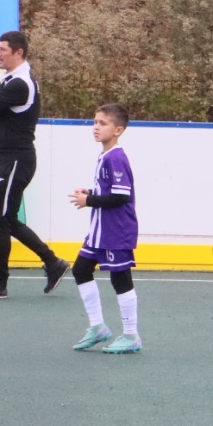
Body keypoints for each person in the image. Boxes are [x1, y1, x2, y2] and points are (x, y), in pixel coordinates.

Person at [0, 30, 70, 300]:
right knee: (8, 219)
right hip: (9, 160)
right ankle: (53, 263)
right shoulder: (12, 80)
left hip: (15, 160)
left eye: (3, 49)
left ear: (19, 53)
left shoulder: (19, 84)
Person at [67, 104, 141, 354]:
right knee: (81, 269)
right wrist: (91, 192)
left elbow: (121, 196)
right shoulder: (105, 155)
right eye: (95, 122)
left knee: (120, 278)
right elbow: (109, 191)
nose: (96, 127)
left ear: (118, 130)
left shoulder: (116, 158)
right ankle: (98, 327)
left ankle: (131, 335)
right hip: (100, 231)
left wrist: (89, 200)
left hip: (115, 231)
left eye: (103, 123)